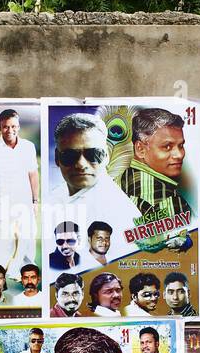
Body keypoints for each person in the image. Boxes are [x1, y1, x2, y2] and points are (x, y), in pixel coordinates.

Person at [46, 113, 141, 263]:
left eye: (93, 154)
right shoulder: (53, 198)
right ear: (57, 158)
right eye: (70, 155)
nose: (81, 164)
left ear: (106, 157)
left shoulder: (119, 210)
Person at [0, 107, 39, 271]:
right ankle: (0, 278)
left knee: (27, 244)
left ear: (18, 127)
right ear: (0, 127)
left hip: (24, 205)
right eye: (5, 126)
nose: (10, 130)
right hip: (0, 206)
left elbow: (33, 175)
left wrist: (35, 201)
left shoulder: (28, 147)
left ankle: (25, 279)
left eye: (13, 126)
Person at [118, 106, 192, 231]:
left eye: (181, 145)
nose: (179, 155)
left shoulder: (122, 178)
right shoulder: (167, 200)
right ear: (140, 149)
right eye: (167, 147)